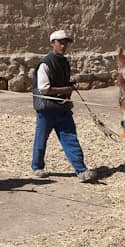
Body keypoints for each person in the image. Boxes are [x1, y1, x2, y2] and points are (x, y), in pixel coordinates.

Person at [31, 30, 96, 182]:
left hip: (62, 108)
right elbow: (44, 89)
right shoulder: (45, 64)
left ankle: (81, 170)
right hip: (47, 109)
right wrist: (67, 89)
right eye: (60, 42)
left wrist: (70, 86)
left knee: (71, 138)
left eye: (65, 42)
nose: (63, 45)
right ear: (52, 43)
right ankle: (37, 166)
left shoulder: (64, 63)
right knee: (41, 139)